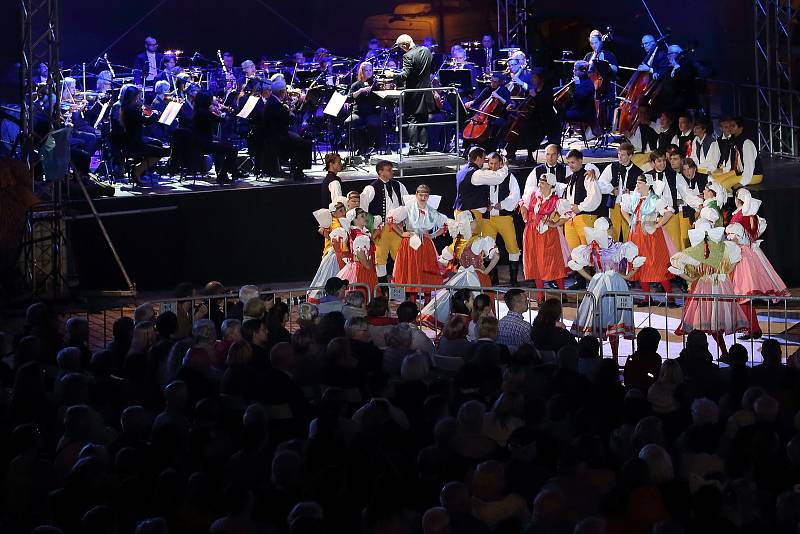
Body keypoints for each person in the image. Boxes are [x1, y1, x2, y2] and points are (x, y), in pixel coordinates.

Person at [669, 215, 748, 356]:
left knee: (708, 322)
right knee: (718, 320)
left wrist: (691, 276)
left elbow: (676, 262)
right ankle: (722, 353)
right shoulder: (727, 247)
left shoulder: (695, 251)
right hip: (723, 285)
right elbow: (732, 267)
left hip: (705, 286)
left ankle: (709, 353)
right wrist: (721, 274)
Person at [568, 218, 644, 359]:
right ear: (610, 228)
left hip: (598, 285)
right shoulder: (620, 247)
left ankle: (596, 357)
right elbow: (630, 273)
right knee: (614, 319)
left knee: (598, 318)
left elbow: (576, 265)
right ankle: (614, 359)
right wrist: (629, 273)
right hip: (617, 285)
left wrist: (594, 278)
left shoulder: (591, 248)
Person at [726, 188, 789, 339]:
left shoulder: (740, 216)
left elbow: (736, 238)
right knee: (742, 296)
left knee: (741, 295)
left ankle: (752, 328)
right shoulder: (751, 215)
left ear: (737, 199)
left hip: (741, 256)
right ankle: (751, 327)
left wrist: (728, 241)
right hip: (750, 254)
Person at [621, 174, 678, 307]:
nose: (637, 185)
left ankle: (670, 297)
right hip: (637, 235)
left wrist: (657, 225)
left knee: (657, 265)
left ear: (647, 184)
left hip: (651, 236)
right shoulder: (635, 198)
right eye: (637, 183)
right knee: (639, 264)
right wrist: (631, 222)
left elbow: (668, 213)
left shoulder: (655, 199)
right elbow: (624, 209)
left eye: (640, 183)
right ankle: (647, 298)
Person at [470, 153, 521, 285]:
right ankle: (493, 278)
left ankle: (513, 280)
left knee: (512, 247)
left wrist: (502, 204)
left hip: (504, 218)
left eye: (495, 164)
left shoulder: (509, 176)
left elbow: (515, 195)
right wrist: (483, 205)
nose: (492, 166)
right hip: (487, 219)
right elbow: (476, 193)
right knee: (488, 247)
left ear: (500, 163)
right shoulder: (484, 175)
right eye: (490, 164)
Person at [390, 184, 448, 301]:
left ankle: (427, 303)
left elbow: (445, 225)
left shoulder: (432, 211)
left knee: (426, 272)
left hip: (425, 244)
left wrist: (432, 235)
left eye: (425, 195)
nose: (423, 198)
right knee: (411, 272)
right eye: (421, 195)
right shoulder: (408, 208)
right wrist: (402, 233)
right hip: (410, 243)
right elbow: (391, 220)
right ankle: (412, 303)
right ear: (416, 194)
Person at [519, 171, 571, 301]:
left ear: (549, 185)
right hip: (532, 233)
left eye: (542, 183)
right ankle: (540, 295)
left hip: (548, 235)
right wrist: (525, 213)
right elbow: (523, 205)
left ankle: (562, 292)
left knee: (553, 263)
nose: (539, 185)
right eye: (540, 183)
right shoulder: (533, 195)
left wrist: (554, 224)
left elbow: (568, 214)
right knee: (536, 263)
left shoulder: (555, 201)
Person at [360, 160, 409, 282]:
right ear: (380, 172)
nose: (392, 172)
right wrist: (370, 228)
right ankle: (383, 288)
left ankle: (400, 284)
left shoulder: (399, 185)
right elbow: (363, 209)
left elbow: (408, 203)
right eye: (389, 170)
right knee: (380, 258)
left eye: (392, 169)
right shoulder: (371, 188)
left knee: (400, 256)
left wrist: (405, 221)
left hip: (396, 228)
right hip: (380, 228)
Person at [386, 34, 435, 155]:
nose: (401, 49)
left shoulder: (407, 56)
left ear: (405, 45)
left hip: (413, 94)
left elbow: (405, 75)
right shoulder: (426, 50)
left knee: (412, 120)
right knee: (423, 120)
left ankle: (413, 149)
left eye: (401, 47)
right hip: (426, 91)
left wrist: (392, 75)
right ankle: (423, 148)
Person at [646, 149, 701, 252]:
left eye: (663, 160)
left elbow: (686, 193)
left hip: (671, 216)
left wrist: (698, 204)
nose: (662, 163)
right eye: (659, 161)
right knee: (657, 247)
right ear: (653, 163)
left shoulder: (675, 175)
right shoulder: (647, 176)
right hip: (654, 216)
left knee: (674, 245)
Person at [118, 85, 169, 186]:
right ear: (134, 96)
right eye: (138, 96)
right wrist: (154, 114)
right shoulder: (132, 109)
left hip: (132, 139)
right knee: (161, 152)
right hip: (134, 143)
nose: (139, 99)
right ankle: (137, 170)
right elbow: (146, 121)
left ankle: (142, 171)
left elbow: (140, 122)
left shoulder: (126, 107)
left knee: (157, 144)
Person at [262, 77, 311, 180]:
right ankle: (298, 172)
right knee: (304, 143)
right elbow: (290, 120)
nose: (286, 93)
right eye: (285, 90)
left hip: (273, 136)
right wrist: (290, 112)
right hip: (278, 139)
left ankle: (296, 170)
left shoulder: (272, 101)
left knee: (298, 138)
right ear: (281, 92)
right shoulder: (276, 104)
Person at [191, 91, 241, 184]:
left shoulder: (198, 111)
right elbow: (223, 120)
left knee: (221, 148)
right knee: (233, 151)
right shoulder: (204, 112)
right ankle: (222, 174)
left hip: (199, 143)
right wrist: (228, 111)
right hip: (204, 145)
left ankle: (223, 174)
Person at [599, 142, 643, 242]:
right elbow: (601, 183)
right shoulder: (612, 167)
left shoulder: (638, 171)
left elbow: (641, 191)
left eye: (623, 155)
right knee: (613, 231)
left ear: (630, 155)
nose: (620, 157)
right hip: (615, 204)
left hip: (630, 206)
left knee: (629, 231)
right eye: (619, 154)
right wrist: (611, 189)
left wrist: (630, 193)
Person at [563, 149, 602, 250]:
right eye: (568, 163)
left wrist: (580, 207)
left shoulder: (587, 176)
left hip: (585, 217)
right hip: (570, 219)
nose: (570, 165)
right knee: (573, 252)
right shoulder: (569, 178)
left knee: (589, 252)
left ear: (580, 161)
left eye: (573, 162)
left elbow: (595, 197)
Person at [309, 203, 348, 303]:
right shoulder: (333, 222)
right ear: (333, 213)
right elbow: (333, 238)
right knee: (327, 278)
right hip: (334, 255)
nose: (343, 211)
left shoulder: (343, 221)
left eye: (344, 209)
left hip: (339, 254)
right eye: (340, 210)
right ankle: (319, 299)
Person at [336, 208, 378, 299]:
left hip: (359, 267)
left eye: (365, 215)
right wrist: (368, 265)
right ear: (354, 220)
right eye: (362, 216)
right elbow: (360, 254)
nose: (365, 218)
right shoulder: (359, 236)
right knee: (364, 295)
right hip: (361, 270)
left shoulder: (357, 232)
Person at [714, 117, 764, 190]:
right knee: (715, 181)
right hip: (739, 172)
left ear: (740, 128)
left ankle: (730, 200)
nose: (730, 128)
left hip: (754, 174)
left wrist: (742, 182)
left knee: (724, 185)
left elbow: (749, 166)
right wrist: (724, 170)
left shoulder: (747, 142)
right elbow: (731, 161)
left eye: (733, 126)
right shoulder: (733, 140)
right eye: (730, 125)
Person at [346, 62, 382, 157]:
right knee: (350, 122)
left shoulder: (374, 84)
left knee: (374, 122)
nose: (369, 72)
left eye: (371, 70)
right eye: (367, 70)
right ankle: (360, 147)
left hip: (371, 112)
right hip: (358, 112)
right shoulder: (356, 85)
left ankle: (370, 146)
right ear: (362, 71)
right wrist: (361, 90)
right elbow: (350, 97)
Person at [563, 61, 596, 128]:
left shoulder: (589, 83)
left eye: (575, 70)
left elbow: (580, 96)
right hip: (575, 109)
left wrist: (576, 84)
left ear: (583, 71)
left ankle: (555, 136)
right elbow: (563, 89)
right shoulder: (578, 81)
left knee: (558, 115)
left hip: (583, 113)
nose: (573, 71)